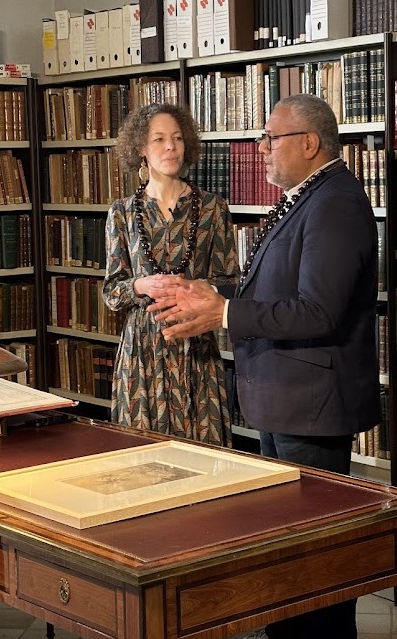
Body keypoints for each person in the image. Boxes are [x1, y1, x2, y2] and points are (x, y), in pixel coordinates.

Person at [148, 93, 381, 639]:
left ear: (309, 143)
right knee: (288, 531)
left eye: (271, 138)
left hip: (311, 397)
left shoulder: (334, 205)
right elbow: (269, 287)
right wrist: (211, 289)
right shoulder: (308, 198)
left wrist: (222, 310)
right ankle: (294, 628)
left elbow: (317, 310)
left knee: (320, 535)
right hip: (284, 392)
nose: (262, 149)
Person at [102, 103, 239, 446]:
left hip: (196, 347)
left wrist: (197, 289)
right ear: (140, 149)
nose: (170, 147)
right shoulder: (121, 213)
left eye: (177, 139)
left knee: (205, 458)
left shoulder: (212, 208)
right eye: (159, 139)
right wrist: (140, 284)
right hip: (142, 353)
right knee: (143, 462)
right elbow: (112, 292)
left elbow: (231, 282)